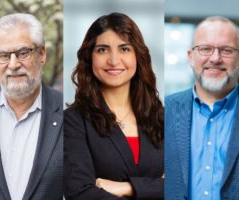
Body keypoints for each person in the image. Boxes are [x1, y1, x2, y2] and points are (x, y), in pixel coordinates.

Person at [63, 12, 164, 200]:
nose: (114, 60)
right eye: (102, 50)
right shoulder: (73, 121)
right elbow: (80, 192)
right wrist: (156, 187)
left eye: (124, 49)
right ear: (89, 57)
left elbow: (181, 184)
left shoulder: (161, 117)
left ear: (138, 56)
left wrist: (127, 188)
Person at [0, 13, 63, 199]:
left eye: (23, 53)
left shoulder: (71, 112)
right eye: (3, 55)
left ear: (42, 54)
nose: (13, 64)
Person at [165, 16, 239, 200]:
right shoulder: (162, 111)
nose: (215, 58)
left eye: (226, 50)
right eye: (205, 49)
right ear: (191, 57)